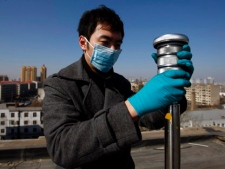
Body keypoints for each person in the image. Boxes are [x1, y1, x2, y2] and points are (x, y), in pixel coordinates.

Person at [43, 5, 194, 169]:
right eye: (105, 42)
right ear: (83, 42)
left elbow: (150, 120)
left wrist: (173, 87)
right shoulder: (59, 84)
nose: (112, 50)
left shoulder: (120, 83)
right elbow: (62, 148)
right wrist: (132, 107)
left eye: (117, 44)